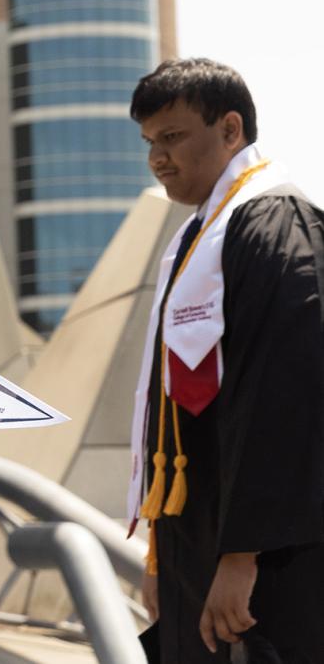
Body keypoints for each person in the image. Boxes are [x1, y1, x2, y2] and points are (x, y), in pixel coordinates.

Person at [127, 59, 324, 663]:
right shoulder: (198, 235)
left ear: (231, 130)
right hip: (203, 542)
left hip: (262, 560)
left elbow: (283, 398)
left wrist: (243, 556)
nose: (158, 157)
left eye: (173, 136)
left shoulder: (274, 225)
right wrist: (165, 556)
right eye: (150, 142)